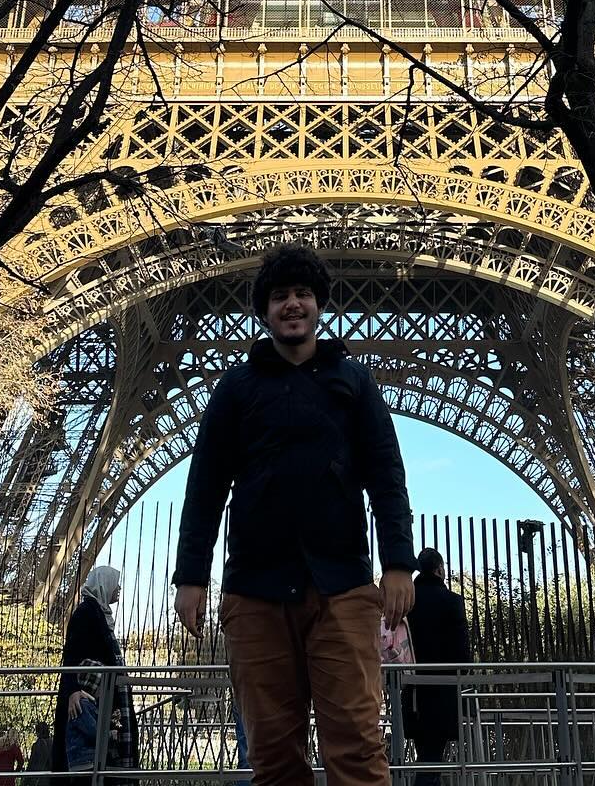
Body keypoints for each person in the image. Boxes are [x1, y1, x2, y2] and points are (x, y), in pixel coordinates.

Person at [172, 244, 416, 786]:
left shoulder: (355, 382)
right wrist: (191, 576)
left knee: (356, 746)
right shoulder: (236, 388)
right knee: (273, 755)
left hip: (342, 585)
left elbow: (386, 477)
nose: (292, 304)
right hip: (257, 588)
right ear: (264, 311)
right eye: (280, 296)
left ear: (318, 305)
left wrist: (398, 562)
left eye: (302, 294)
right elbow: (206, 485)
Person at [51, 563, 139, 779]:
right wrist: (72, 690)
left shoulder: (97, 612)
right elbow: (71, 655)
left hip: (103, 695)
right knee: (96, 761)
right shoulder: (87, 613)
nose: (118, 588)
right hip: (93, 699)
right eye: (115, 584)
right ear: (104, 584)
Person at [402, 549, 471, 786]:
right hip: (443, 689)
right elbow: (463, 655)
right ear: (440, 568)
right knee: (433, 757)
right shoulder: (452, 601)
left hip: (413, 691)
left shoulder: (407, 602)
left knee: (426, 755)